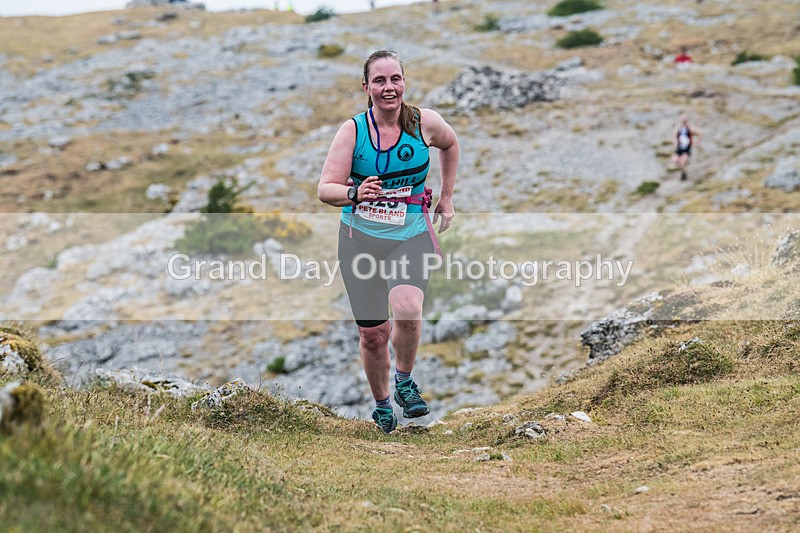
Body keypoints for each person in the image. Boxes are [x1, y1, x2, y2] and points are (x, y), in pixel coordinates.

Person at [318, 50, 459, 433]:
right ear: (367, 88)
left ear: (404, 82)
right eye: (379, 81)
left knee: (409, 307)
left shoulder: (424, 122)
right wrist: (354, 194)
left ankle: (405, 381)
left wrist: (446, 196)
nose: (388, 88)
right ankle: (382, 404)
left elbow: (450, 145)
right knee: (373, 334)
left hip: (410, 236)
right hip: (359, 240)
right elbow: (325, 188)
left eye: (394, 79)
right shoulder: (353, 131)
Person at [671, 114, 702, 181]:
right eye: (682, 120)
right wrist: (675, 142)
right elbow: (675, 136)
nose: (683, 121)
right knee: (675, 160)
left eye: (684, 120)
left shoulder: (690, 128)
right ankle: (684, 169)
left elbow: (699, 134)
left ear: (686, 121)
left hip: (687, 147)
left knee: (682, 161)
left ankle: (684, 173)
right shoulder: (678, 128)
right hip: (679, 147)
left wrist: (697, 142)